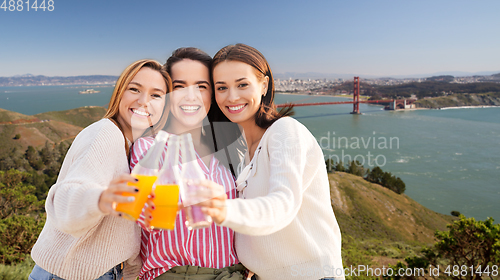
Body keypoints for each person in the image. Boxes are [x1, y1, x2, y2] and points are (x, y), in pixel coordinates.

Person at [197, 44, 345, 280]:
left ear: (264, 85)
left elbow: (283, 204)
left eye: (242, 84)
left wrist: (225, 210)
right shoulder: (241, 150)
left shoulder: (285, 131)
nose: (232, 96)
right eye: (221, 87)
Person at [30, 59, 172, 280]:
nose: (144, 101)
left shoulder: (135, 148)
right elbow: (66, 198)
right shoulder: (105, 133)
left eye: (156, 95)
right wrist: (102, 199)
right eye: (134, 89)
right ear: (119, 94)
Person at [129, 47, 246, 280]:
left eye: (201, 86)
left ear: (212, 94)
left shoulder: (231, 151)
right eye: (179, 86)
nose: (190, 96)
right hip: (176, 275)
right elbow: (145, 212)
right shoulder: (149, 148)